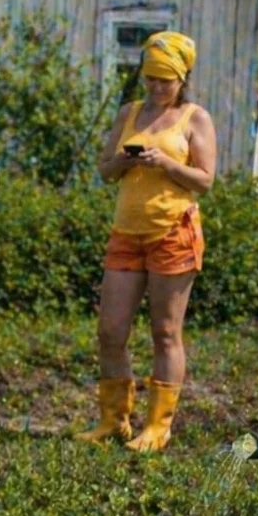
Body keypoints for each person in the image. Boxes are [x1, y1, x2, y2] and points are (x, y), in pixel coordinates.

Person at [83, 32, 217, 452]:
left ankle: (158, 426)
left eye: (166, 80)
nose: (157, 87)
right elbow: (105, 170)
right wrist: (124, 160)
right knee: (110, 329)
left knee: (165, 331)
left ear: (182, 79)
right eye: (151, 79)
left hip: (173, 232)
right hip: (127, 232)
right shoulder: (129, 113)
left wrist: (165, 163)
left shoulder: (195, 118)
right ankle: (114, 420)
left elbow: (205, 180)